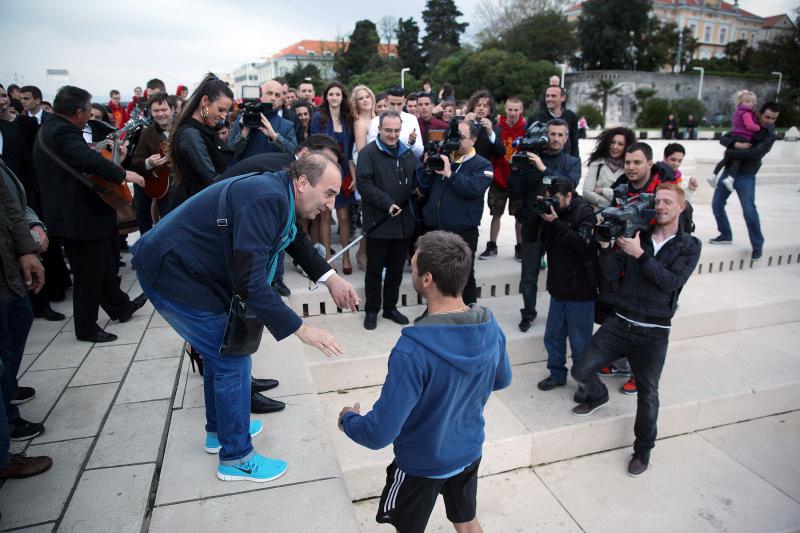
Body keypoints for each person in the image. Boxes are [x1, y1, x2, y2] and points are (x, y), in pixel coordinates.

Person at [132, 155, 359, 482]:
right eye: (328, 193)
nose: (330, 204)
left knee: (222, 353)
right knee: (231, 358)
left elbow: (292, 237)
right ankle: (236, 456)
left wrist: (330, 277)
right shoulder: (267, 198)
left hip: (190, 270)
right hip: (172, 272)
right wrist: (301, 328)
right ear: (303, 183)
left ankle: (220, 430)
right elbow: (249, 282)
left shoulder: (279, 193)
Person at [338, 230, 511, 533]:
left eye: (414, 265)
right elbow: (501, 379)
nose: (412, 269)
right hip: (468, 451)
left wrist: (348, 420)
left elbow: (379, 434)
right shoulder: (490, 325)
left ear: (427, 279)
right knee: (467, 521)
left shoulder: (412, 351)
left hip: (420, 464)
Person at [571, 182, 701, 477]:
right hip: (620, 321)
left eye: (668, 202)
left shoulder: (689, 246)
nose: (661, 206)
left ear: (681, 207)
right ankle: (597, 395)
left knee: (648, 395)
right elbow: (610, 274)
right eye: (658, 201)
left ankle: (643, 450)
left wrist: (640, 255)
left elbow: (669, 281)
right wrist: (605, 248)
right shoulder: (636, 236)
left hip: (653, 331)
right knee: (580, 370)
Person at [33, 85, 149, 343]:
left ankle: (120, 306)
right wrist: (122, 173)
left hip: (75, 214)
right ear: (77, 112)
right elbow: (86, 159)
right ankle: (86, 328)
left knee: (101, 266)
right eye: (87, 111)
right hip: (79, 217)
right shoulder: (63, 132)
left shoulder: (50, 128)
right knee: (88, 275)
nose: (90, 116)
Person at [509, 119, 581, 333]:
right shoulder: (530, 158)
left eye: (560, 135)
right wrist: (515, 168)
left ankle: (561, 314)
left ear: (567, 138)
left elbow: (569, 185)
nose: (556, 139)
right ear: (545, 135)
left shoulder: (571, 162)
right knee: (528, 275)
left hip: (560, 223)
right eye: (552, 134)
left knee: (561, 273)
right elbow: (515, 191)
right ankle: (528, 313)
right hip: (533, 223)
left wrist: (543, 168)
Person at [419, 119, 493, 306]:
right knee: (433, 274)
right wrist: (427, 168)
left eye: (460, 137)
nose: (455, 141)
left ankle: (468, 313)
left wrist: (450, 173)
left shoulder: (482, 165)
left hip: (463, 230)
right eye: (452, 136)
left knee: (465, 275)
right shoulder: (443, 157)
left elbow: (474, 189)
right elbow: (423, 187)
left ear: (473, 139)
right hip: (436, 227)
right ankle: (433, 310)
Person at [0, 168, 50, 442]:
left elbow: (13, 201)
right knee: (5, 341)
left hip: (11, 260)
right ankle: (6, 421)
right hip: (5, 266)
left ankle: (8, 389)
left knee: (18, 323)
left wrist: (32, 229)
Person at [357, 110, 418, 330]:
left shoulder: (407, 153)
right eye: (388, 130)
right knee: (374, 270)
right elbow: (364, 185)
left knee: (395, 269)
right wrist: (387, 203)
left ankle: (390, 308)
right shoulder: (367, 153)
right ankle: (372, 310)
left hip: (403, 226)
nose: (393, 135)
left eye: (396, 131)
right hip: (379, 223)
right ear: (379, 130)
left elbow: (415, 180)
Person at [535, 178, 597, 394]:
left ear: (569, 195)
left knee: (580, 344)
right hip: (558, 289)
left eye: (557, 198)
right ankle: (556, 374)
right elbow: (534, 239)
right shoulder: (552, 212)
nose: (553, 203)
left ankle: (585, 383)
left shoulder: (585, 212)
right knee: (552, 337)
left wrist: (556, 222)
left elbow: (582, 245)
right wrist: (539, 216)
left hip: (581, 291)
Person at [709, 102, 779, 262]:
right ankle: (725, 234)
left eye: (773, 119)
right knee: (717, 204)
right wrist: (735, 144)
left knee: (749, 211)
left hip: (747, 175)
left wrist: (730, 151)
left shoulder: (770, 135)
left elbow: (753, 153)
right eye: (767, 117)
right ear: (760, 114)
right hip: (729, 170)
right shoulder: (746, 123)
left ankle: (757, 245)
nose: (769, 121)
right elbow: (725, 138)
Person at [168, 73, 234, 209]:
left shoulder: (203, 129)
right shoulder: (190, 133)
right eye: (221, 110)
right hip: (194, 209)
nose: (223, 116)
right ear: (204, 101)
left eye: (226, 112)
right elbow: (210, 177)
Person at [310, 81, 356, 271]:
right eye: (331, 94)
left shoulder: (348, 119)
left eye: (338, 94)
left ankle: (346, 257)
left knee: (344, 216)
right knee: (326, 214)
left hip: (344, 171)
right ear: (326, 97)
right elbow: (313, 145)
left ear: (342, 97)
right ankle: (328, 258)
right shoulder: (318, 118)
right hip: (325, 171)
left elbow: (352, 150)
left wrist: (353, 175)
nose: (334, 97)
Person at [479, 96, 525, 261]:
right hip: (499, 178)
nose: (513, 113)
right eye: (510, 109)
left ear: (521, 111)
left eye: (516, 110)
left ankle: (520, 247)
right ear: (505, 109)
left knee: (519, 216)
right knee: (495, 213)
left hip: (518, 179)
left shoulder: (525, 129)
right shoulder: (497, 128)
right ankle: (492, 245)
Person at [129, 93, 176, 228]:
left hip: (183, 188)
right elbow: (136, 161)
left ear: (172, 109)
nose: (160, 114)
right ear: (150, 112)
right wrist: (149, 162)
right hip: (162, 188)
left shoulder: (183, 128)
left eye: (164, 110)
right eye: (156, 111)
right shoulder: (147, 132)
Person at [229, 79, 297, 162]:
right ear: (260, 95)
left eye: (277, 95)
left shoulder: (288, 125)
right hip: (246, 173)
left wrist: (274, 137)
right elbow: (230, 154)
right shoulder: (241, 120)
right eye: (269, 93)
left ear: (281, 101)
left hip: (273, 173)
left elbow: (294, 154)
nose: (273, 98)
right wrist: (244, 132)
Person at [708, 90, 761, 193]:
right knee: (738, 159)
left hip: (734, 136)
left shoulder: (738, 112)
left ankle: (713, 175)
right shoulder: (746, 113)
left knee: (726, 158)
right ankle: (730, 178)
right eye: (747, 101)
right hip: (744, 137)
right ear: (741, 102)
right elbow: (749, 126)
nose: (750, 104)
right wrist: (758, 127)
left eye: (752, 102)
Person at [350, 85, 377, 271]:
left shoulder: (379, 118)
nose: (365, 100)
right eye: (361, 98)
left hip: (382, 170)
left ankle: (368, 253)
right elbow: (362, 152)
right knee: (369, 217)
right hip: (368, 172)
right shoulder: (359, 122)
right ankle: (362, 253)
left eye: (367, 96)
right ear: (356, 103)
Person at [582, 127, 636, 210]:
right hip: (596, 215)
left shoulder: (630, 168)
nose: (615, 147)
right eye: (612, 142)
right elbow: (587, 192)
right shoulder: (597, 163)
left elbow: (629, 196)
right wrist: (609, 204)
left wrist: (603, 190)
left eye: (620, 144)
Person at [367, 86, 423, 158]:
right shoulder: (375, 122)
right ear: (386, 102)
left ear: (404, 102)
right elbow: (372, 152)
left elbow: (420, 153)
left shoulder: (412, 119)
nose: (396, 108)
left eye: (399, 104)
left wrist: (412, 143)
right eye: (392, 104)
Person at [530, 86, 579, 160]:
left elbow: (574, 143)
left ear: (563, 98)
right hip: (542, 164)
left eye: (553, 96)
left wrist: (576, 163)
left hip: (565, 164)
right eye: (547, 96)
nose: (549, 99)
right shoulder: (535, 118)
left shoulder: (571, 116)